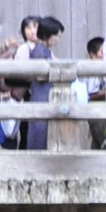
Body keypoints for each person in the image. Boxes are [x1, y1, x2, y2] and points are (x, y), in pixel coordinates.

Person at [18, 16, 66, 150]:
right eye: (57, 36)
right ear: (48, 36)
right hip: (41, 95)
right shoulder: (40, 51)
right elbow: (39, 75)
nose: (58, 40)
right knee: (40, 133)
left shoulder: (45, 50)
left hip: (45, 94)